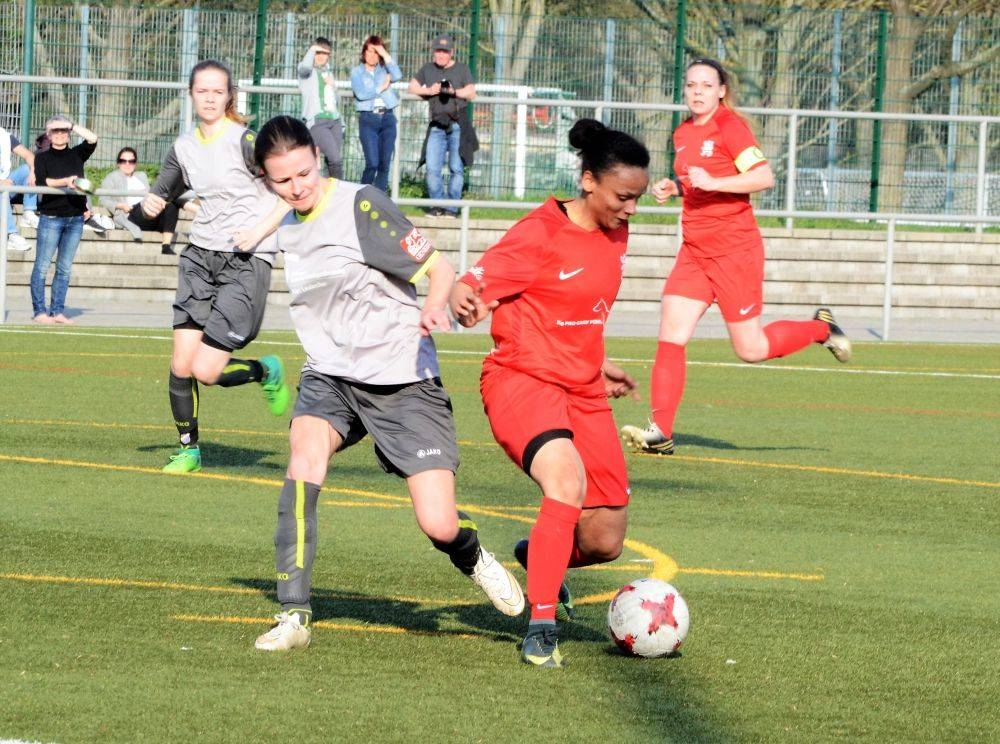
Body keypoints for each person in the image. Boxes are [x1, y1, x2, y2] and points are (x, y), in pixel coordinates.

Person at [249, 115, 524, 652]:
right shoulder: (285, 223)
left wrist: (434, 307)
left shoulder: (362, 205)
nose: (297, 187)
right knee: (303, 462)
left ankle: (472, 554)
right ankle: (294, 614)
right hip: (330, 376)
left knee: (438, 523)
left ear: (318, 158)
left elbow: (439, 269)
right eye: (282, 180)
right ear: (267, 180)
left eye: (304, 173)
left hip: (402, 380)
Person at [449, 118, 650, 668]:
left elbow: (577, 307)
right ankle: (540, 628)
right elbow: (475, 283)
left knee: (605, 539)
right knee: (565, 482)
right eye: (623, 197)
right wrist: (465, 296)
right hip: (521, 380)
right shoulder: (539, 232)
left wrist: (597, 362)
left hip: (582, 388)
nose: (631, 209)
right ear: (588, 181)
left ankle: (540, 555)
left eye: (637, 198)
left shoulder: (616, 230)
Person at [619, 58, 852, 456]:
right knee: (670, 333)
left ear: (721, 90)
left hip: (734, 252)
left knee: (751, 350)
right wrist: (676, 187)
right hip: (695, 252)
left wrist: (714, 181)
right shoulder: (682, 132)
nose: (697, 91)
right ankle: (661, 432)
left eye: (706, 85)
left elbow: (763, 177)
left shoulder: (730, 127)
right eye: (691, 84)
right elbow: (697, 180)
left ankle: (820, 328)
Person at [139, 59, 291, 474]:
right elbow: (159, 196)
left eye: (217, 91)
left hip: (246, 260)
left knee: (206, 371)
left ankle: (264, 370)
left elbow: (291, 191)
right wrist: (147, 205)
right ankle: (188, 450)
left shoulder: (247, 142)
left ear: (229, 97)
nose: (209, 98)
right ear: (191, 94)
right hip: (199, 258)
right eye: (201, 90)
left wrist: (258, 232)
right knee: (181, 364)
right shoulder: (183, 147)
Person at [30, 116, 99, 324]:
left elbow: (93, 138)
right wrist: (66, 181)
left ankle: (57, 311)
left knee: (64, 268)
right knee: (42, 266)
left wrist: (71, 125)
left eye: (63, 131)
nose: (60, 134)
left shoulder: (77, 154)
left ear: (69, 134)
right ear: (49, 135)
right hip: (51, 217)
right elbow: (43, 182)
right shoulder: (41, 157)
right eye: (56, 131)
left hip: (75, 218)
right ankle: (40, 312)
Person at [408, 34, 476, 217]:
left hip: (457, 125)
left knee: (456, 168)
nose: (441, 55)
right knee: (432, 168)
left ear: (451, 52)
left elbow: (471, 92)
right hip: (436, 125)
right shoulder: (427, 69)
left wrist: (454, 92)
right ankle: (437, 205)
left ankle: (451, 209)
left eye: (445, 51)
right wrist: (430, 90)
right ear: (433, 52)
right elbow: (412, 87)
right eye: (438, 51)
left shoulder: (462, 69)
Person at [99, 147, 179, 254]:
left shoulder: (141, 176)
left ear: (135, 163)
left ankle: (166, 246)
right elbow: (103, 199)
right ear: (118, 163)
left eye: (131, 161)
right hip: (132, 213)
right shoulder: (112, 177)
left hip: (149, 211)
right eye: (123, 161)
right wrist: (120, 205)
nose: (127, 164)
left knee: (172, 204)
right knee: (146, 203)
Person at [350, 35, 402, 193]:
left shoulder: (384, 70)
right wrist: (381, 88)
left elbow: (398, 75)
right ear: (364, 52)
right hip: (369, 118)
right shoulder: (357, 72)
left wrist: (385, 54)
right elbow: (361, 94)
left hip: (387, 117)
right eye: (369, 51)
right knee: (372, 163)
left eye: (376, 52)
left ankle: (380, 199)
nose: (372, 56)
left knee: (384, 164)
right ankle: (362, 195)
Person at [297, 37, 343, 179]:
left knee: (332, 161)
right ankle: (337, 189)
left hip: (334, 120)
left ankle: (330, 190)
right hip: (317, 122)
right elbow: (305, 68)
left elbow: (336, 102)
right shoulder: (306, 71)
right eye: (319, 52)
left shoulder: (328, 72)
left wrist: (334, 87)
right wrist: (312, 49)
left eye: (325, 53)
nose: (322, 56)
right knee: (335, 160)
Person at [1, 124, 36, 252]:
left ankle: (29, 212)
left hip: (6, 182)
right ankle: (11, 234)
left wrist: (33, 171)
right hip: (2, 186)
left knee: (27, 169)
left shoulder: (4, 136)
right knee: (2, 192)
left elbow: (29, 155)